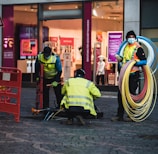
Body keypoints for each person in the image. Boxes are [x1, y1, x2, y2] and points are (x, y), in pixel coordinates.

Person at [112, 30, 147, 121]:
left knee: (131, 95)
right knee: (121, 95)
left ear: (135, 38)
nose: (131, 39)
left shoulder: (138, 48)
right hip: (124, 74)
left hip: (133, 75)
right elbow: (124, 60)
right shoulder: (126, 47)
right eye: (129, 37)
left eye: (132, 37)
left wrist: (135, 62)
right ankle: (119, 115)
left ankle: (132, 115)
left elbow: (144, 61)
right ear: (126, 38)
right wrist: (120, 60)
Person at [35, 43, 63, 110]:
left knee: (58, 93)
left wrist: (56, 80)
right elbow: (36, 67)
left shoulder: (55, 58)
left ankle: (60, 107)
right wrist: (37, 76)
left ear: (50, 53)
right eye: (45, 54)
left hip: (54, 76)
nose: (46, 56)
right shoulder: (39, 57)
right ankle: (45, 107)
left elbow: (59, 71)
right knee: (45, 93)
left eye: (47, 55)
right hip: (45, 77)